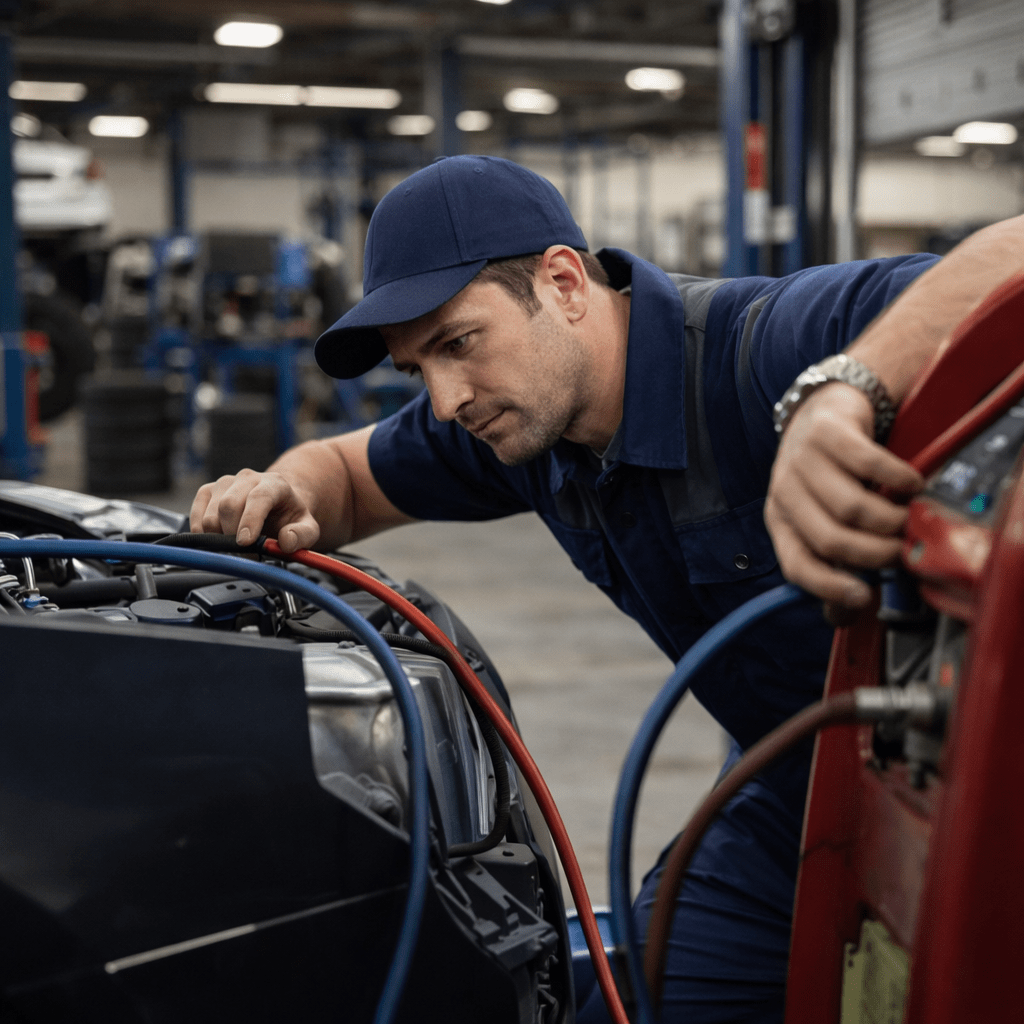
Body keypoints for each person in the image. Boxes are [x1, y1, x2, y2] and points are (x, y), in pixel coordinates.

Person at [191, 154, 1024, 1022]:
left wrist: (841, 391)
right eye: (417, 369)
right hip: (792, 795)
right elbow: (344, 474)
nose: (444, 401)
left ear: (562, 282)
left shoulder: (760, 345)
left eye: (457, 343)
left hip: (970, 798)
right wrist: (287, 493)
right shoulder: (517, 424)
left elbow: (1015, 253)